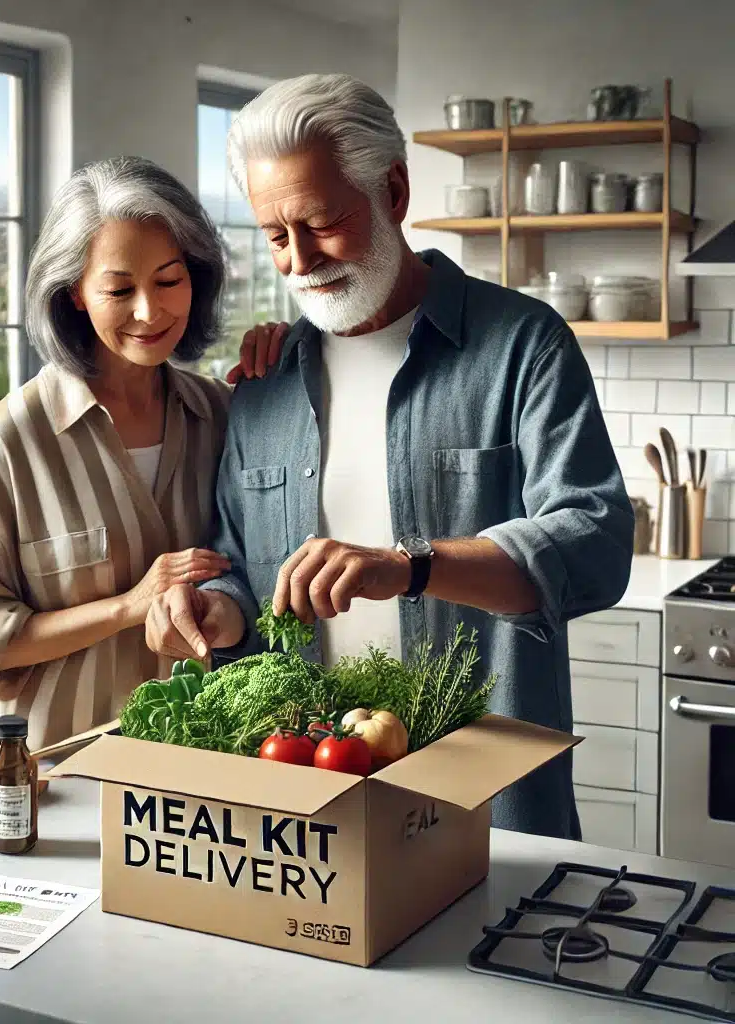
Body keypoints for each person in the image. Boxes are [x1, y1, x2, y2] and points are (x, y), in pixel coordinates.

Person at [145, 75, 634, 841]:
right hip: (305, 806)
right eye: (275, 236)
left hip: (490, 810)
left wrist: (409, 565)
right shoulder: (264, 386)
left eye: (322, 223)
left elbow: (596, 541)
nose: (300, 260)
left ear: (394, 191)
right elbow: (240, 563)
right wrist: (216, 609)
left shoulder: (523, 345)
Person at [0, 156, 287, 748]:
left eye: (169, 281)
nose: (150, 311)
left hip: (199, 784)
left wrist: (287, 362)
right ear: (74, 294)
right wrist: (126, 607)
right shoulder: (11, 441)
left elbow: (264, 569)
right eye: (120, 289)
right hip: (53, 781)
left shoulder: (225, 417)